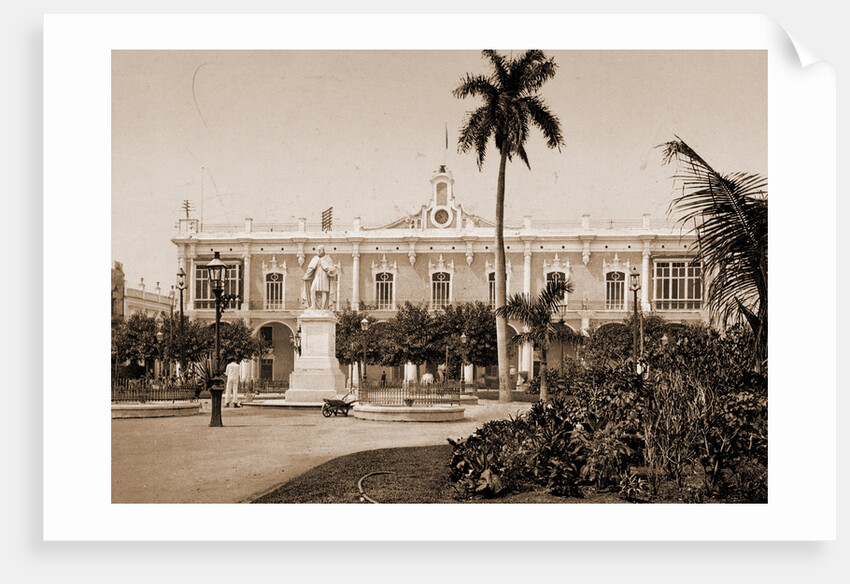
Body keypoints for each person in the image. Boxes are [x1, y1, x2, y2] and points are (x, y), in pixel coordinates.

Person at [301, 246, 337, 310]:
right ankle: (313, 306)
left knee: (324, 291)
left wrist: (328, 269)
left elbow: (332, 268)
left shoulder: (327, 258)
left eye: (319, 250)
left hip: (324, 277)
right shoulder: (315, 258)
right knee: (312, 290)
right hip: (317, 277)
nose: (318, 252)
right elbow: (310, 269)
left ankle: (323, 308)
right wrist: (306, 276)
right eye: (317, 250)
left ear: (323, 250)